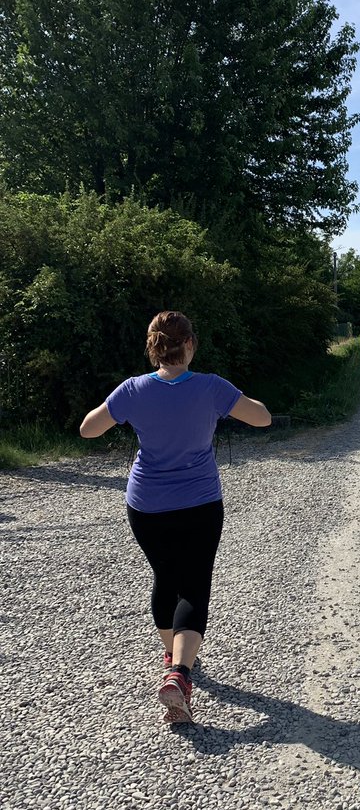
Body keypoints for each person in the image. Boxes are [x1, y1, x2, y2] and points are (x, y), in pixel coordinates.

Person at [79, 310, 271, 724]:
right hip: (200, 502)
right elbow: (263, 417)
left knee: (166, 578)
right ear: (190, 345)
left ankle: (173, 656)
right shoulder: (210, 387)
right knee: (194, 585)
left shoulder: (133, 390)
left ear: (153, 348)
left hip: (146, 505)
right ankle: (180, 674)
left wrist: (125, 408)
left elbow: (88, 430)